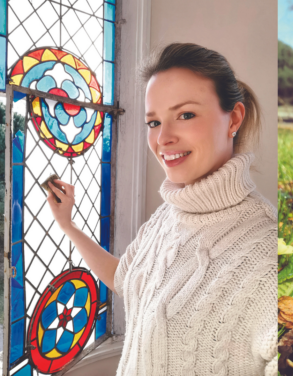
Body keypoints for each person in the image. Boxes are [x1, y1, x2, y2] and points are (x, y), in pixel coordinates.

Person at [46, 43, 277, 376]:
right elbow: (126, 278)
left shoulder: (270, 253)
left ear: (234, 118)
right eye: (153, 122)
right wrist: (68, 226)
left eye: (185, 115)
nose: (163, 138)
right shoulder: (166, 216)